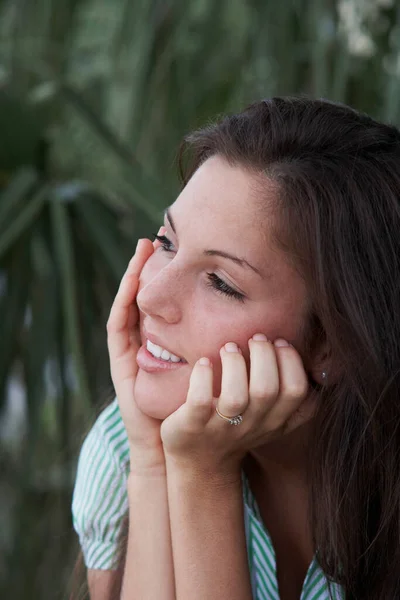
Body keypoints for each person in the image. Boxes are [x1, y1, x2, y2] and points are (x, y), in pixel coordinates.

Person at [71, 96, 400, 600]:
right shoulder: (122, 449)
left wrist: (203, 472)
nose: (151, 296)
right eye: (166, 243)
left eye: (221, 282)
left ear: (332, 343)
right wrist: (157, 463)